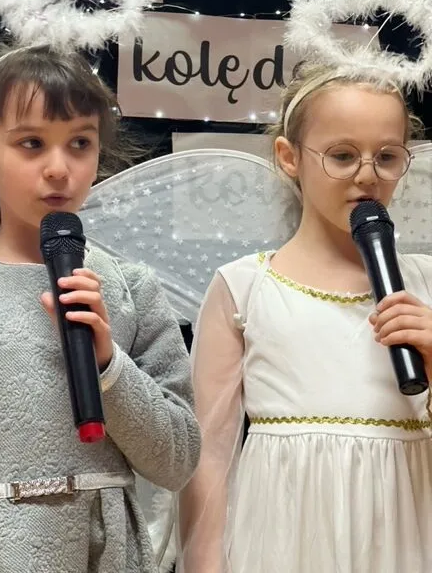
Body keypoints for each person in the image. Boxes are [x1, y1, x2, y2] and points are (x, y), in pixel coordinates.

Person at [0, 42, 201, 573]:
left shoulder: (131, 289)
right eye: (32, 144)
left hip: (104, 552)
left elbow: (177, 461)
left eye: (80, 143)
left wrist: (109, 366)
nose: (59, 169)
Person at [178, 62, 432, 573]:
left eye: (387, 156)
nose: (367, 175)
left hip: (404, 532)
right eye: (342, 155)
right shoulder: (244, 287)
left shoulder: (426, 283)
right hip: (282, 534)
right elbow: (209, 456)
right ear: (289, 157)